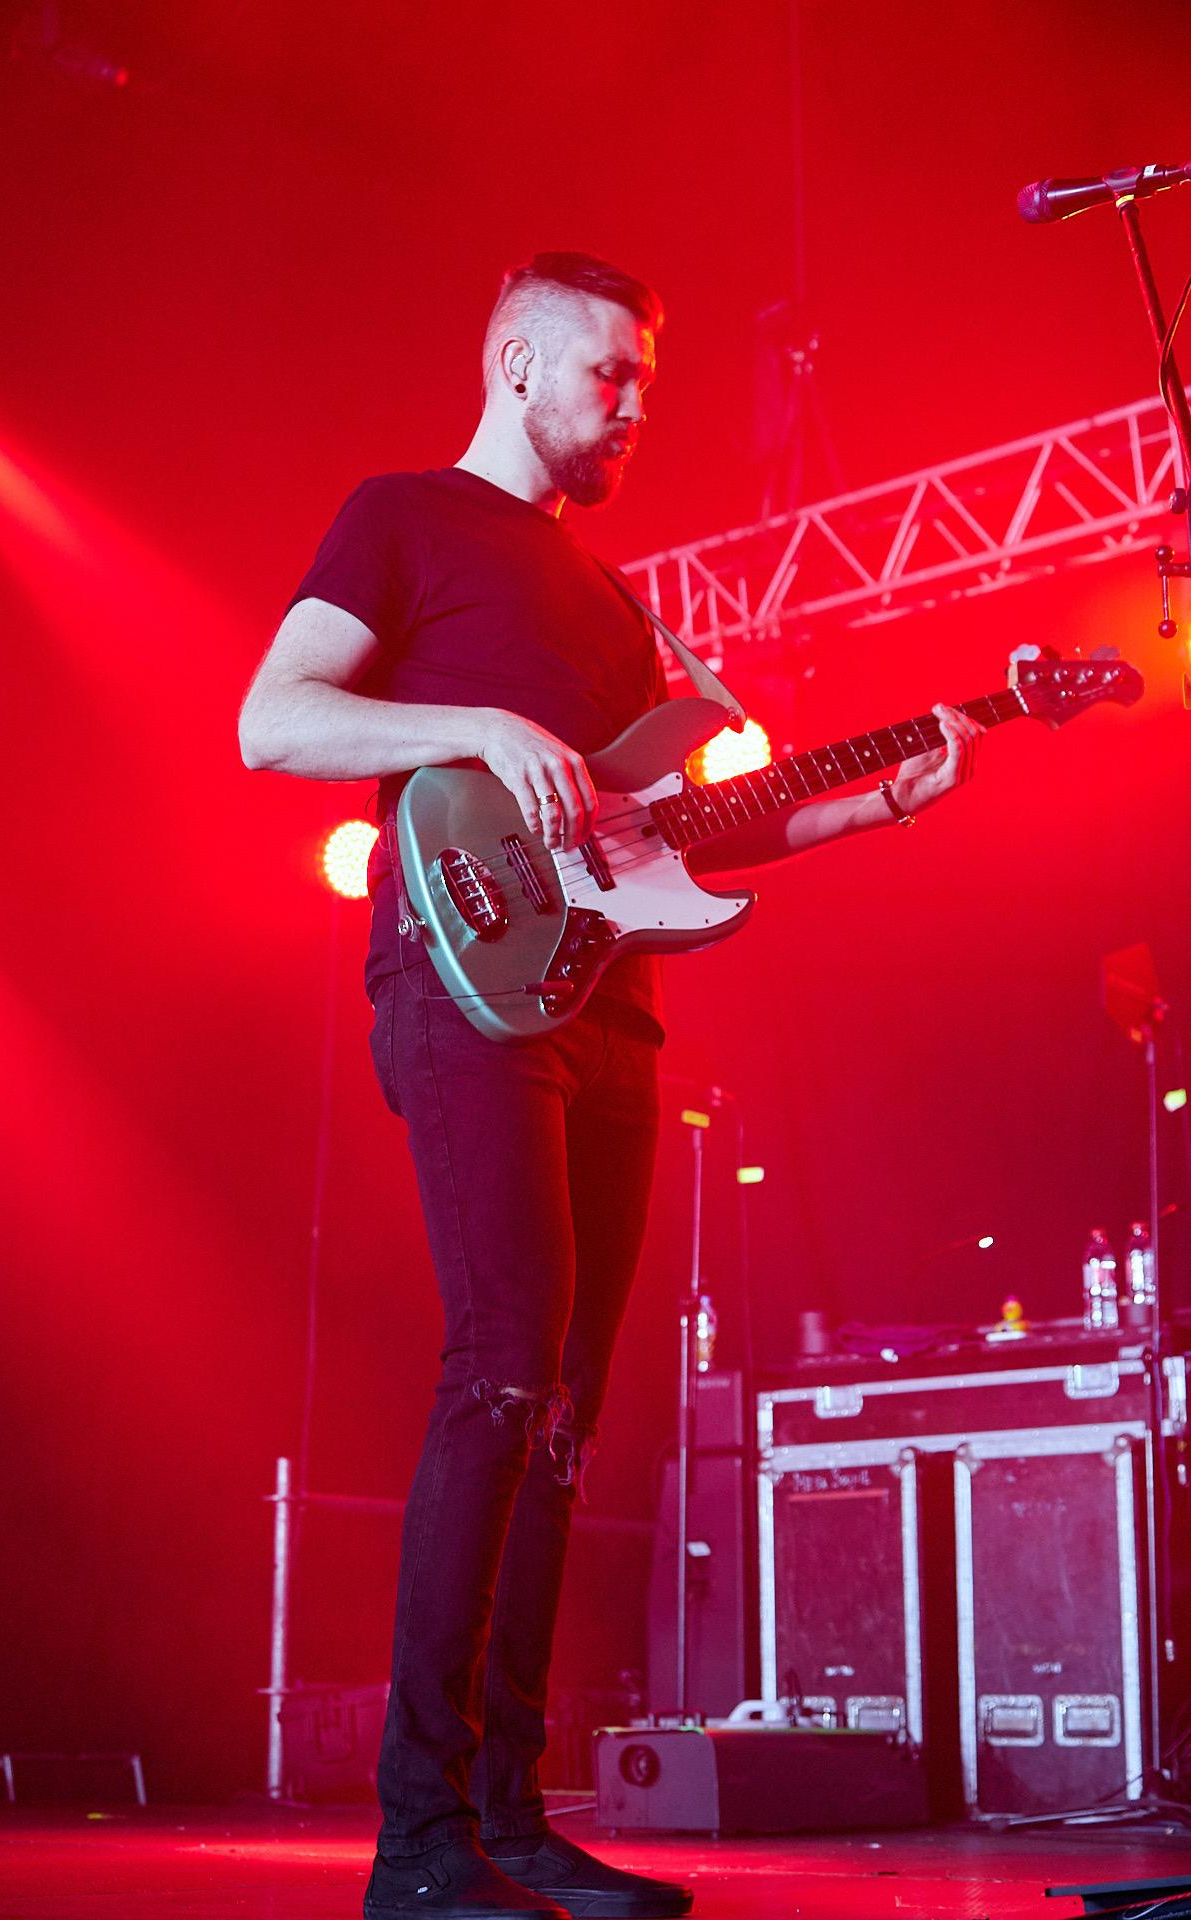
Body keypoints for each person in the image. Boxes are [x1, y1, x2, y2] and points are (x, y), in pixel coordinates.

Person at [239, 251, 983, 1920]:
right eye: (613, 375)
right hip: (462, 978)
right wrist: (478, 731)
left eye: (647, 381)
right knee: (500, 1372)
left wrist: (874, 803)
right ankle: (420, 1844)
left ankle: (508, 1818)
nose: (637, 406)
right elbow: (271, 722)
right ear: (514, 361)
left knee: (562, 1419)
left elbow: (674, 833)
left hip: (610, 1014)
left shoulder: (620, 598)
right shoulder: (404, 520)